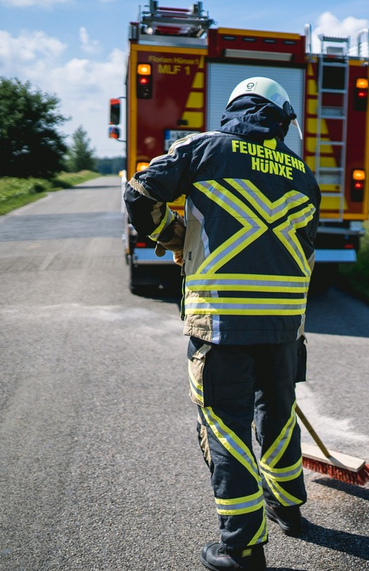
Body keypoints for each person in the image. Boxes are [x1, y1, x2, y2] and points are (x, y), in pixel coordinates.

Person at [124, 77, 321, 571]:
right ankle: (289, 507)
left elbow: (139, 195)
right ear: (281, 121)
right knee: (278, 414)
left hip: (221, 324)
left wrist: (173, 235)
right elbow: (307, 252)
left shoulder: (201, 149)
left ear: (234, 111)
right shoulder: (303, 174)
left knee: (226, 427)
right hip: (283, 325)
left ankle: (243, 546)